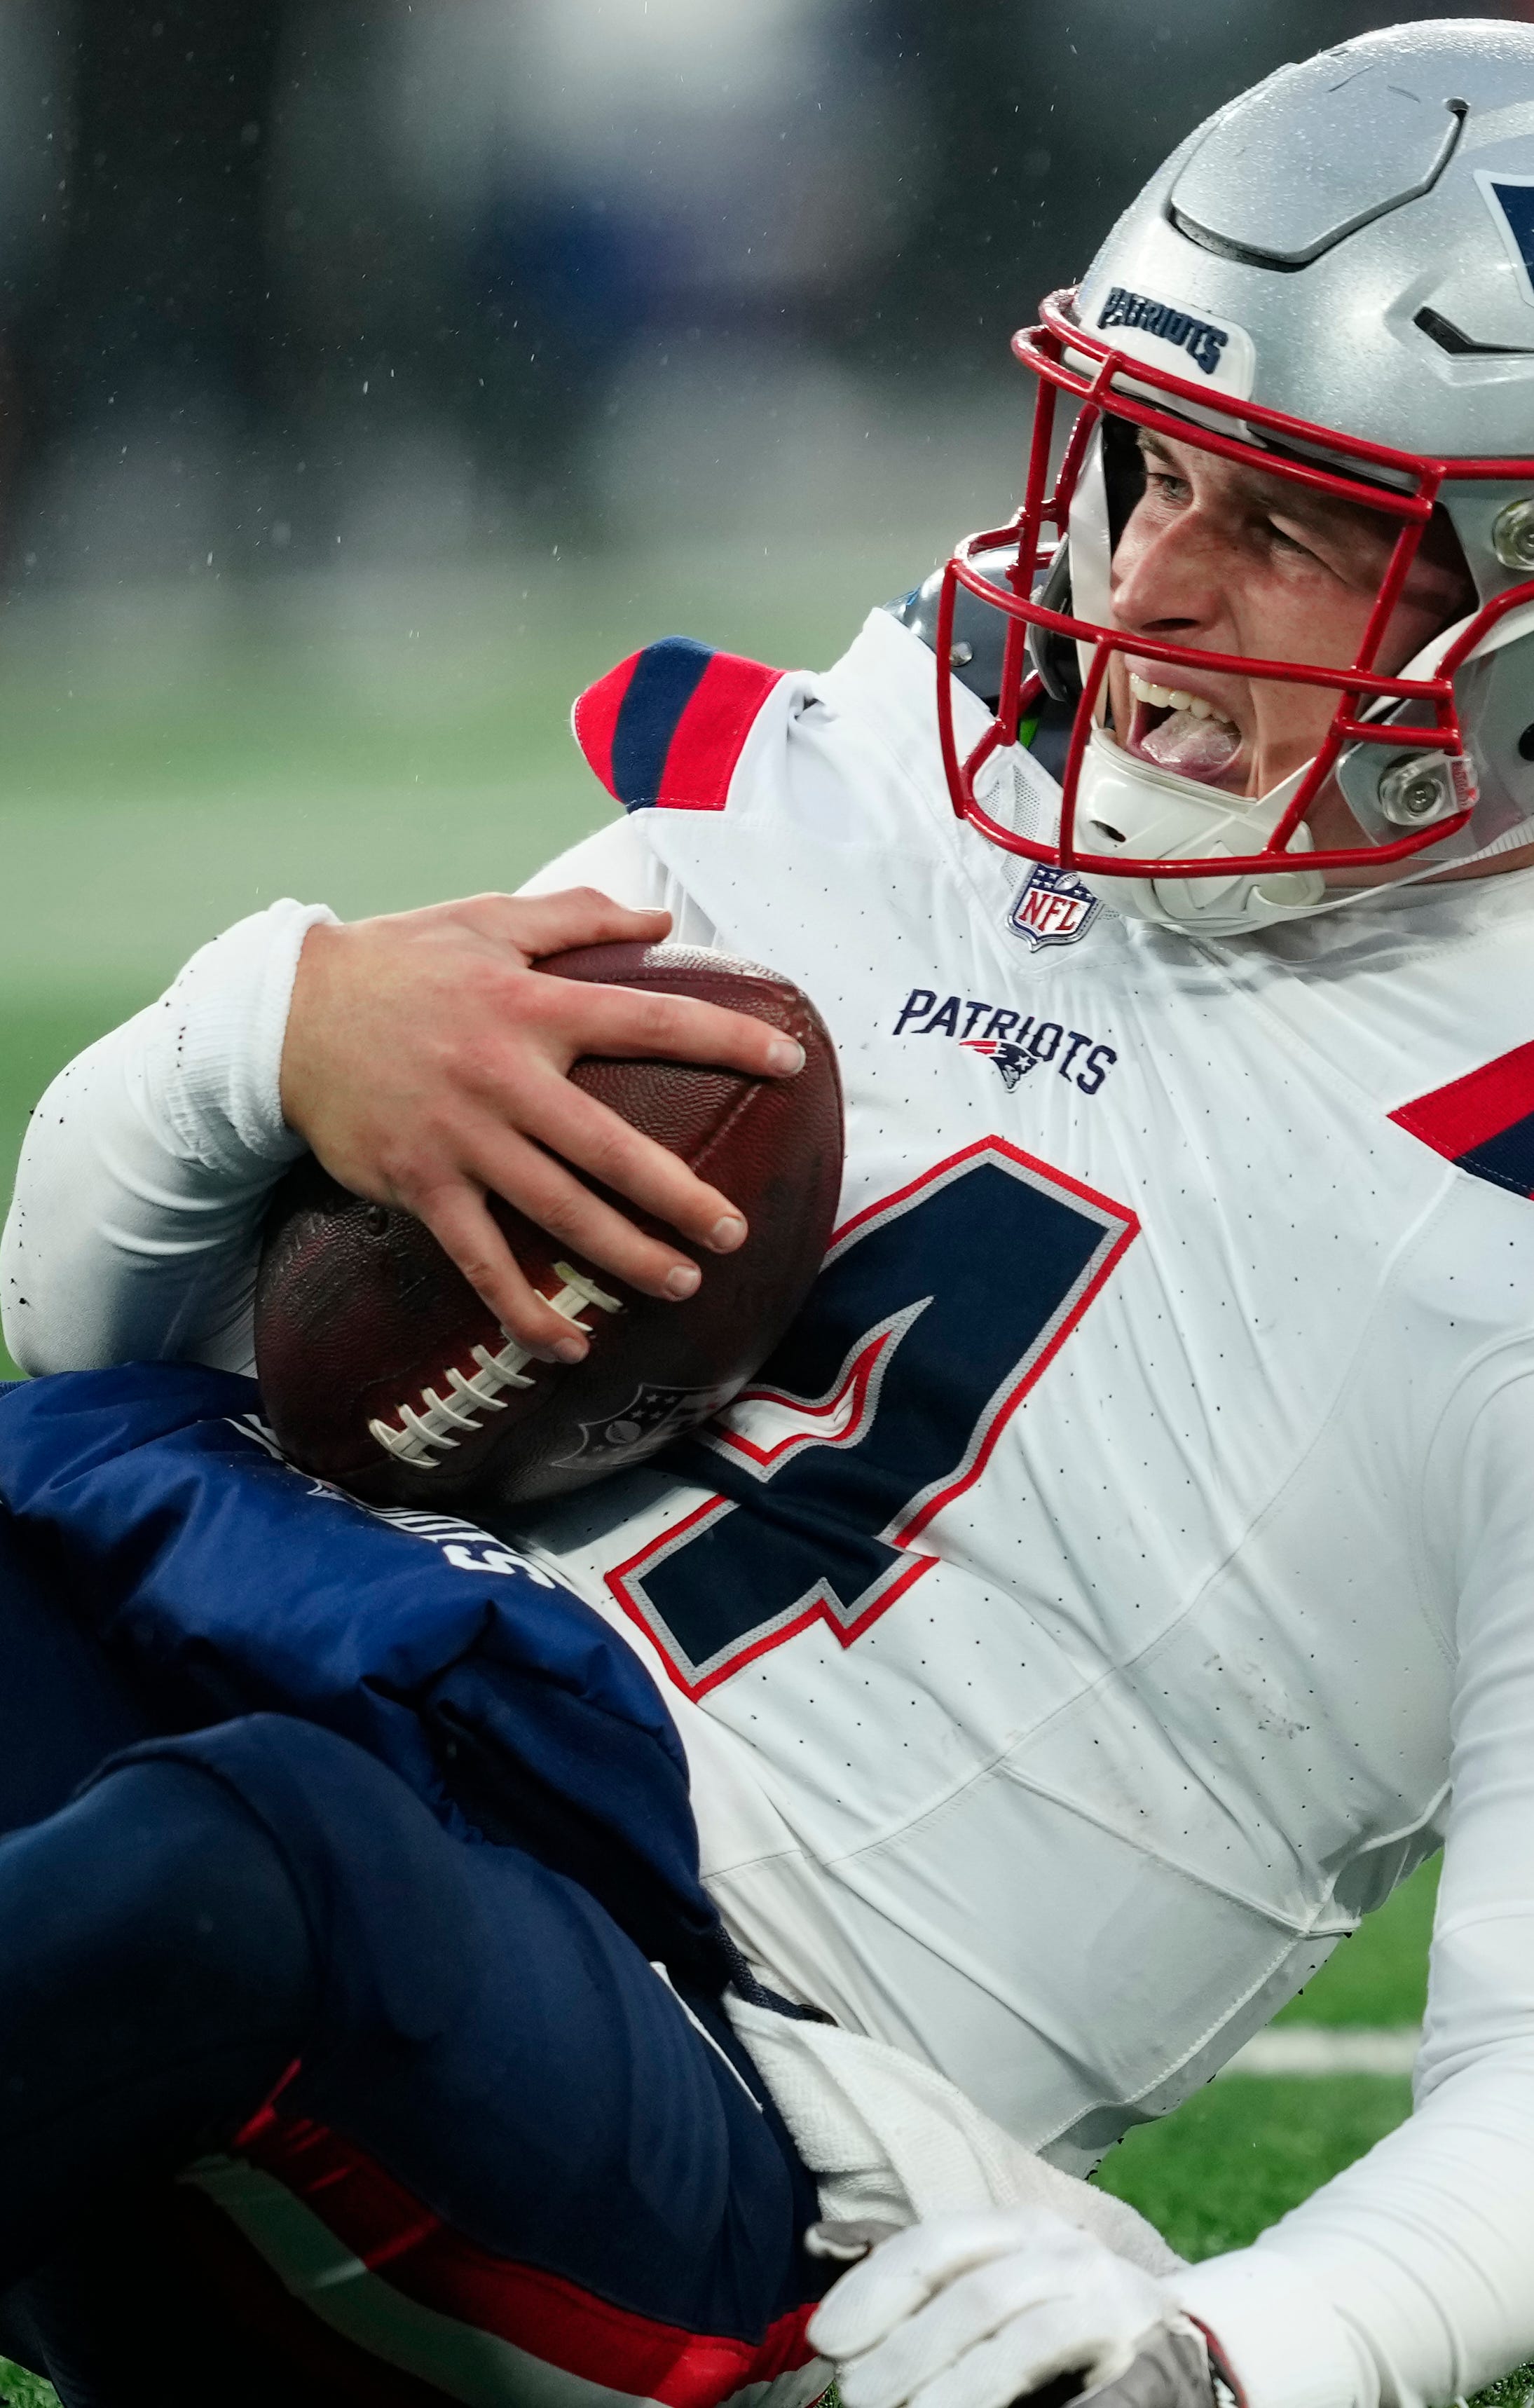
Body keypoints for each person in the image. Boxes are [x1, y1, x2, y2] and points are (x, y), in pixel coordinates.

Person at [6, 17, 1534, 2408]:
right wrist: (269, 1031)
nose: (1158, 569)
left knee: (245, 1862)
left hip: (704, 2071)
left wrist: (1260, 2341)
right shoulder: (898, 769)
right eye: (1154, 463)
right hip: (368, 1695)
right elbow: (89, 1325)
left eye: (1303, 518)